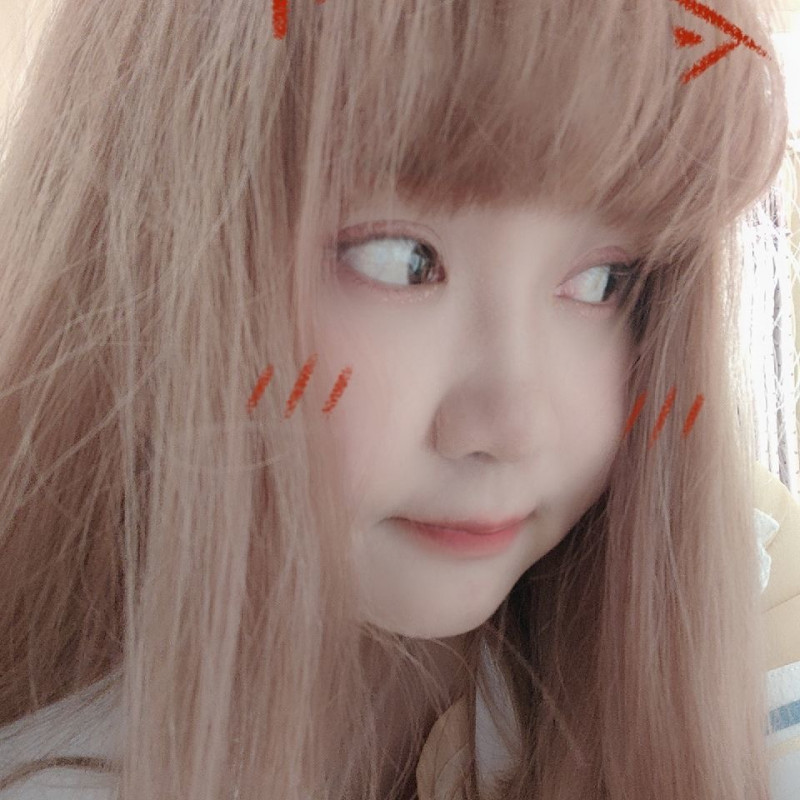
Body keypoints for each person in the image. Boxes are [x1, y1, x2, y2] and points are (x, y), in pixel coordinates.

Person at [0, 0, 795, 798]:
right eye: (401, 261)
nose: (512, 425)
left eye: (602, 281)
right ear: (152, 244)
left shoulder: (751, 603)